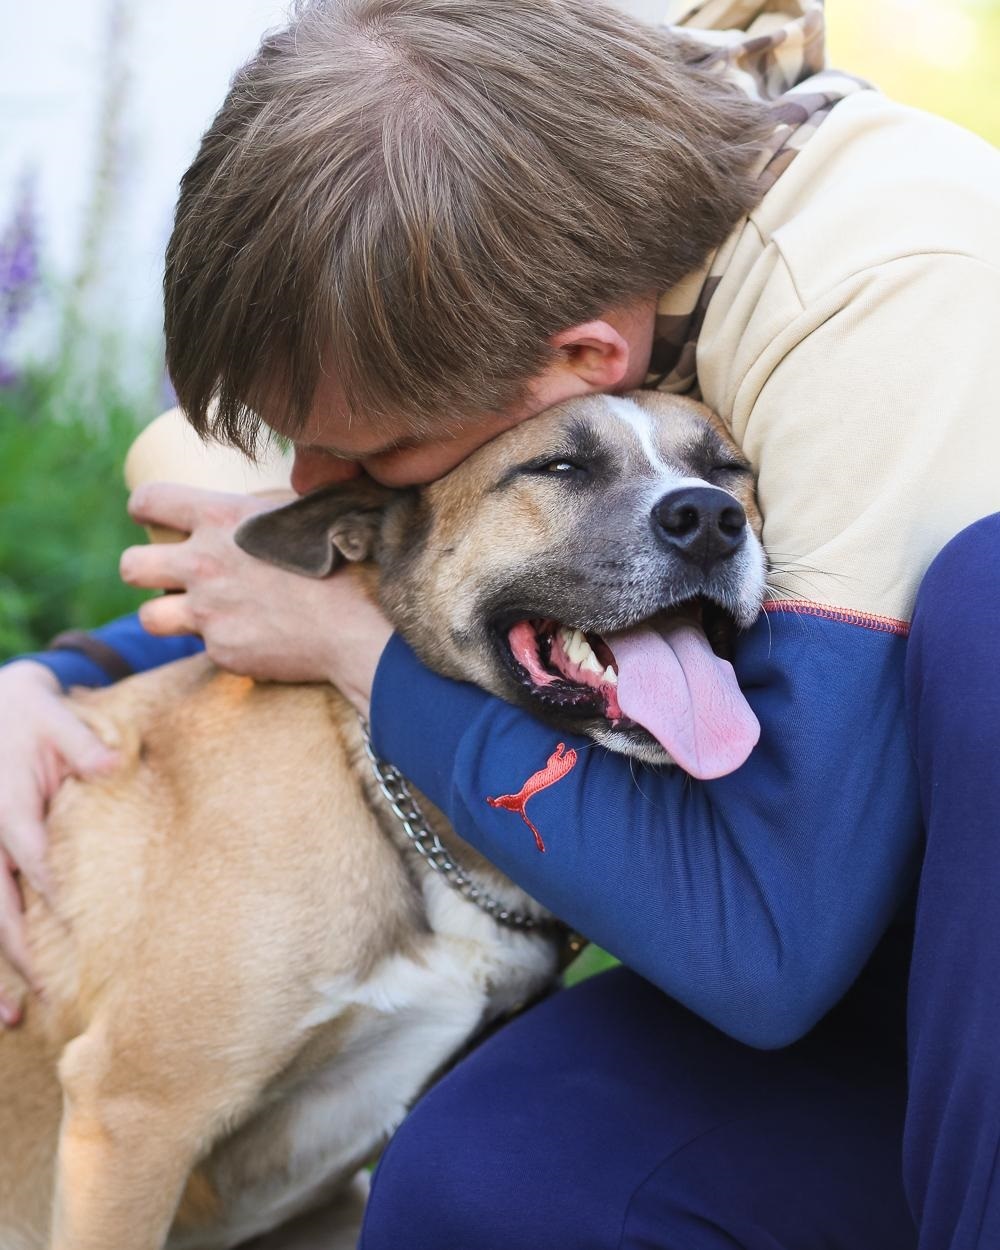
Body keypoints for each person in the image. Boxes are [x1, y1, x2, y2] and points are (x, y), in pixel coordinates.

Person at [2, 1, 999, 1245]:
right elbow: (393, 543)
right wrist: (52, 679)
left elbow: (765, 943)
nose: (315, 483)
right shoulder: (538, 171)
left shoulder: (883, 297)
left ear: (585, 360)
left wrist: (358, 652)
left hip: (923, 942)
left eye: (377, 450)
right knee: (489, 1174)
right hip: (856, 956)